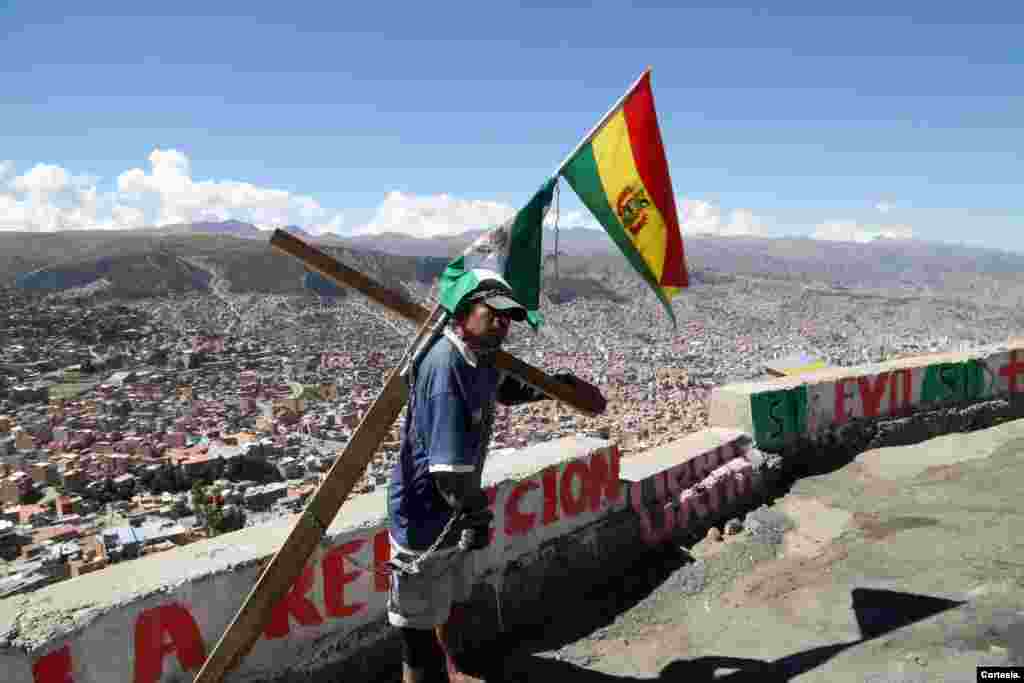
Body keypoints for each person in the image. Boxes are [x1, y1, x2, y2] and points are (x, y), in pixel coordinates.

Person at [386, 277, 581, 683]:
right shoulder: (446, 365)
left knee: (448, 604)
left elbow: (504, 389)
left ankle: (454, 672)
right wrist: (476, 517)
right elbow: (448, 473)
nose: (502, 325)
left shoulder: (478, 357)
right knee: (417, 634)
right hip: (424, 514)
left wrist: (554, 388)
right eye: (492, 315)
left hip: (450, 510)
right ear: (463, 314)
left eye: (508, 319)